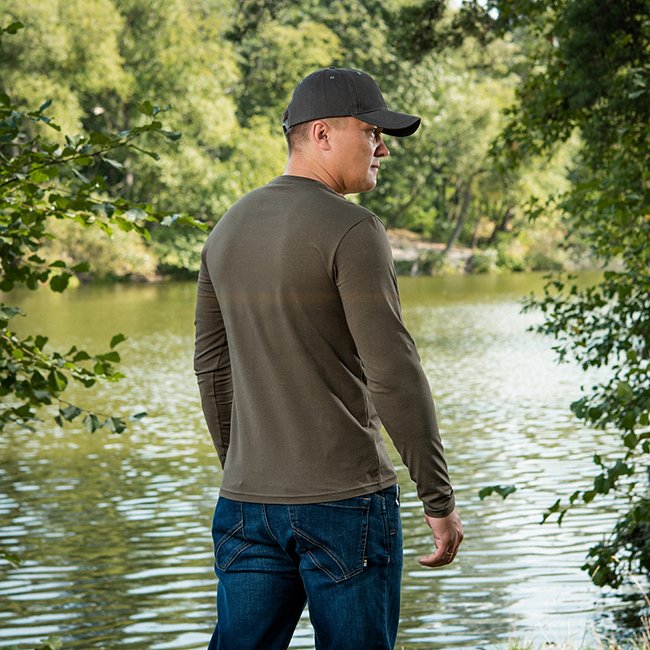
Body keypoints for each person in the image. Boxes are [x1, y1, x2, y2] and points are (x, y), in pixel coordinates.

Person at [194, 67, 463, 650]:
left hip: (245, 503)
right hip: (346, 504)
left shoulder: (225, 229)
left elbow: (211, 368)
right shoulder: (353, 228)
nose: (382, 149)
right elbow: (393, 372)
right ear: (321, 134)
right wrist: (437, 498)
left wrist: (244, 468)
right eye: (371, 132)